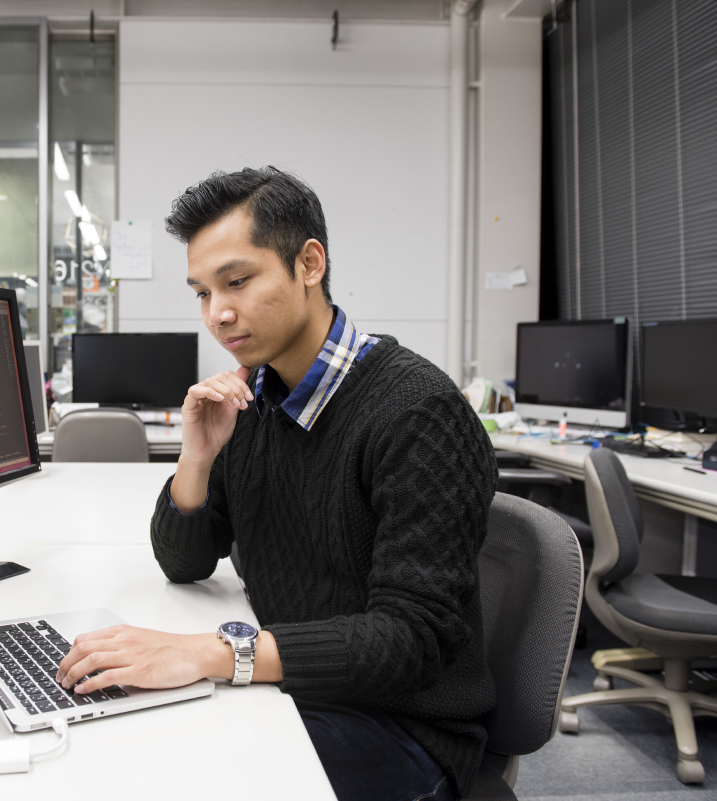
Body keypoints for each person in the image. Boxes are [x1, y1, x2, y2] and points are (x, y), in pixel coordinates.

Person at [56, 167, 497, 800]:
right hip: (294, 683)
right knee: (114, 741)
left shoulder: (416, 411)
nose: (219, 313)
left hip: (403, 727)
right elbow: (183, 562)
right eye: (202, 293)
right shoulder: (259, 397)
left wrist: (212, 652)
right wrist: (198, 456)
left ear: (309, 263)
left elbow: (412, 639)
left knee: (164, 775)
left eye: (237, 282)